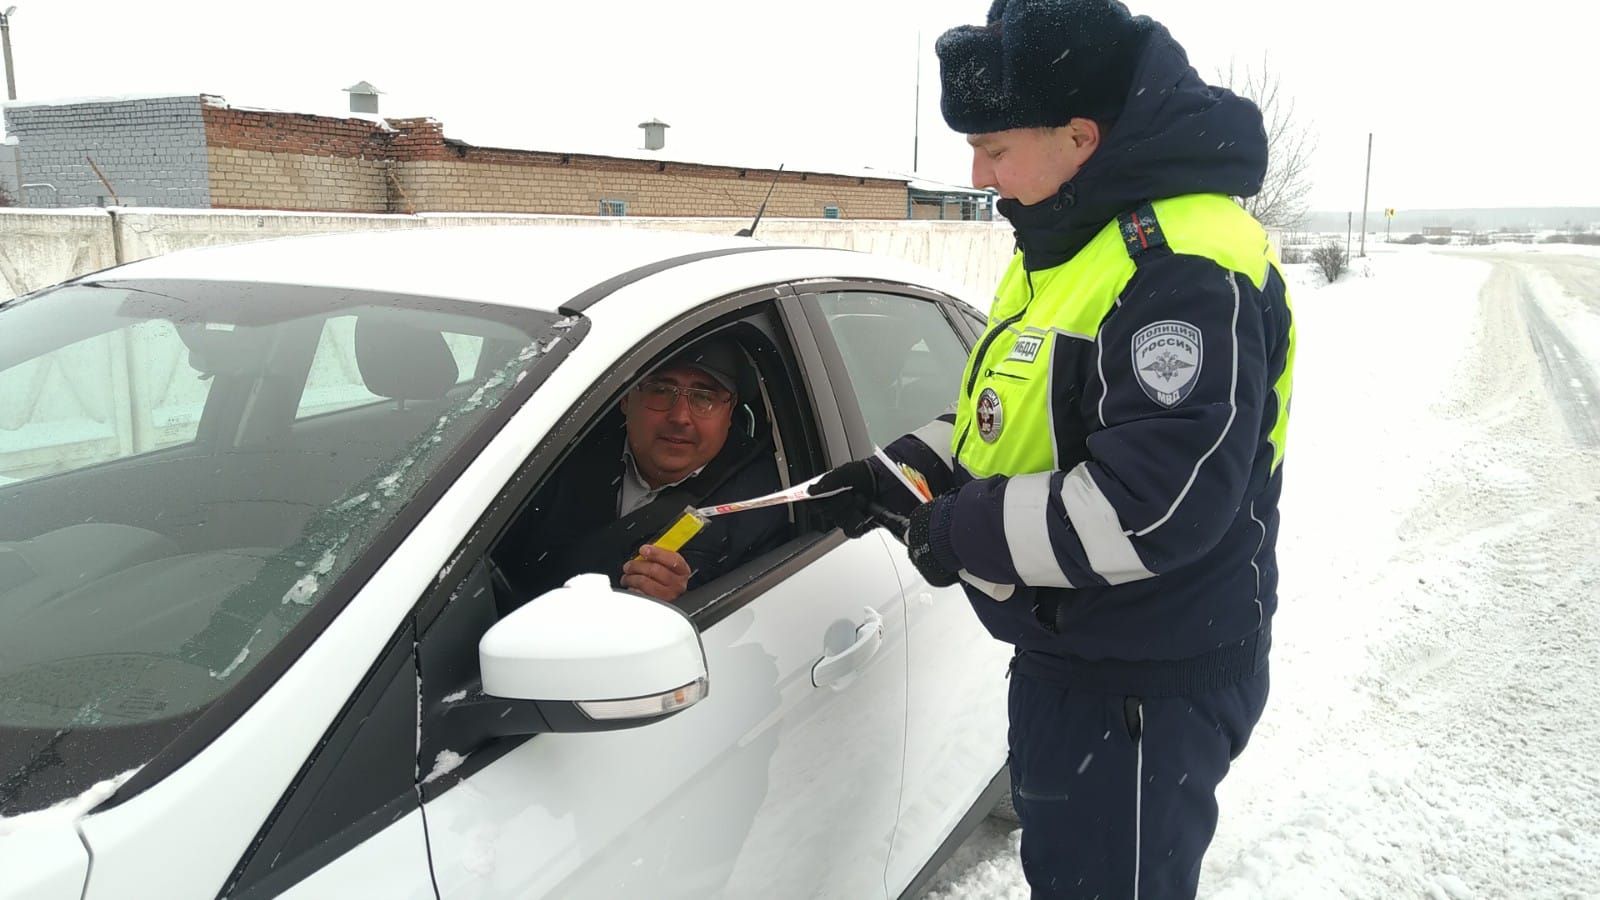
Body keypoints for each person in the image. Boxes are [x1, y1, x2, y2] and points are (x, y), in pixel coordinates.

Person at [810, 1, 1296, 896]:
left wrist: (960, 533)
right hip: (1078, 659)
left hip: (1146, 681)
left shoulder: (1180, 264)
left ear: (1079, 136)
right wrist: (897, 474)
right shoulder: (1070, 242)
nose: (975, 170)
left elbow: (1151, 506)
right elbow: (1016, 418)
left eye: (994, 149)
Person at [506, 336, 787, 605]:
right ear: (626, 399)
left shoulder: (757, 507)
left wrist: (683, 600)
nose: (680, 417)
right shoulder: (556, 458)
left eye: (704, 398)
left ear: (730, 412)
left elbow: (747, 623)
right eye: (661, 391)